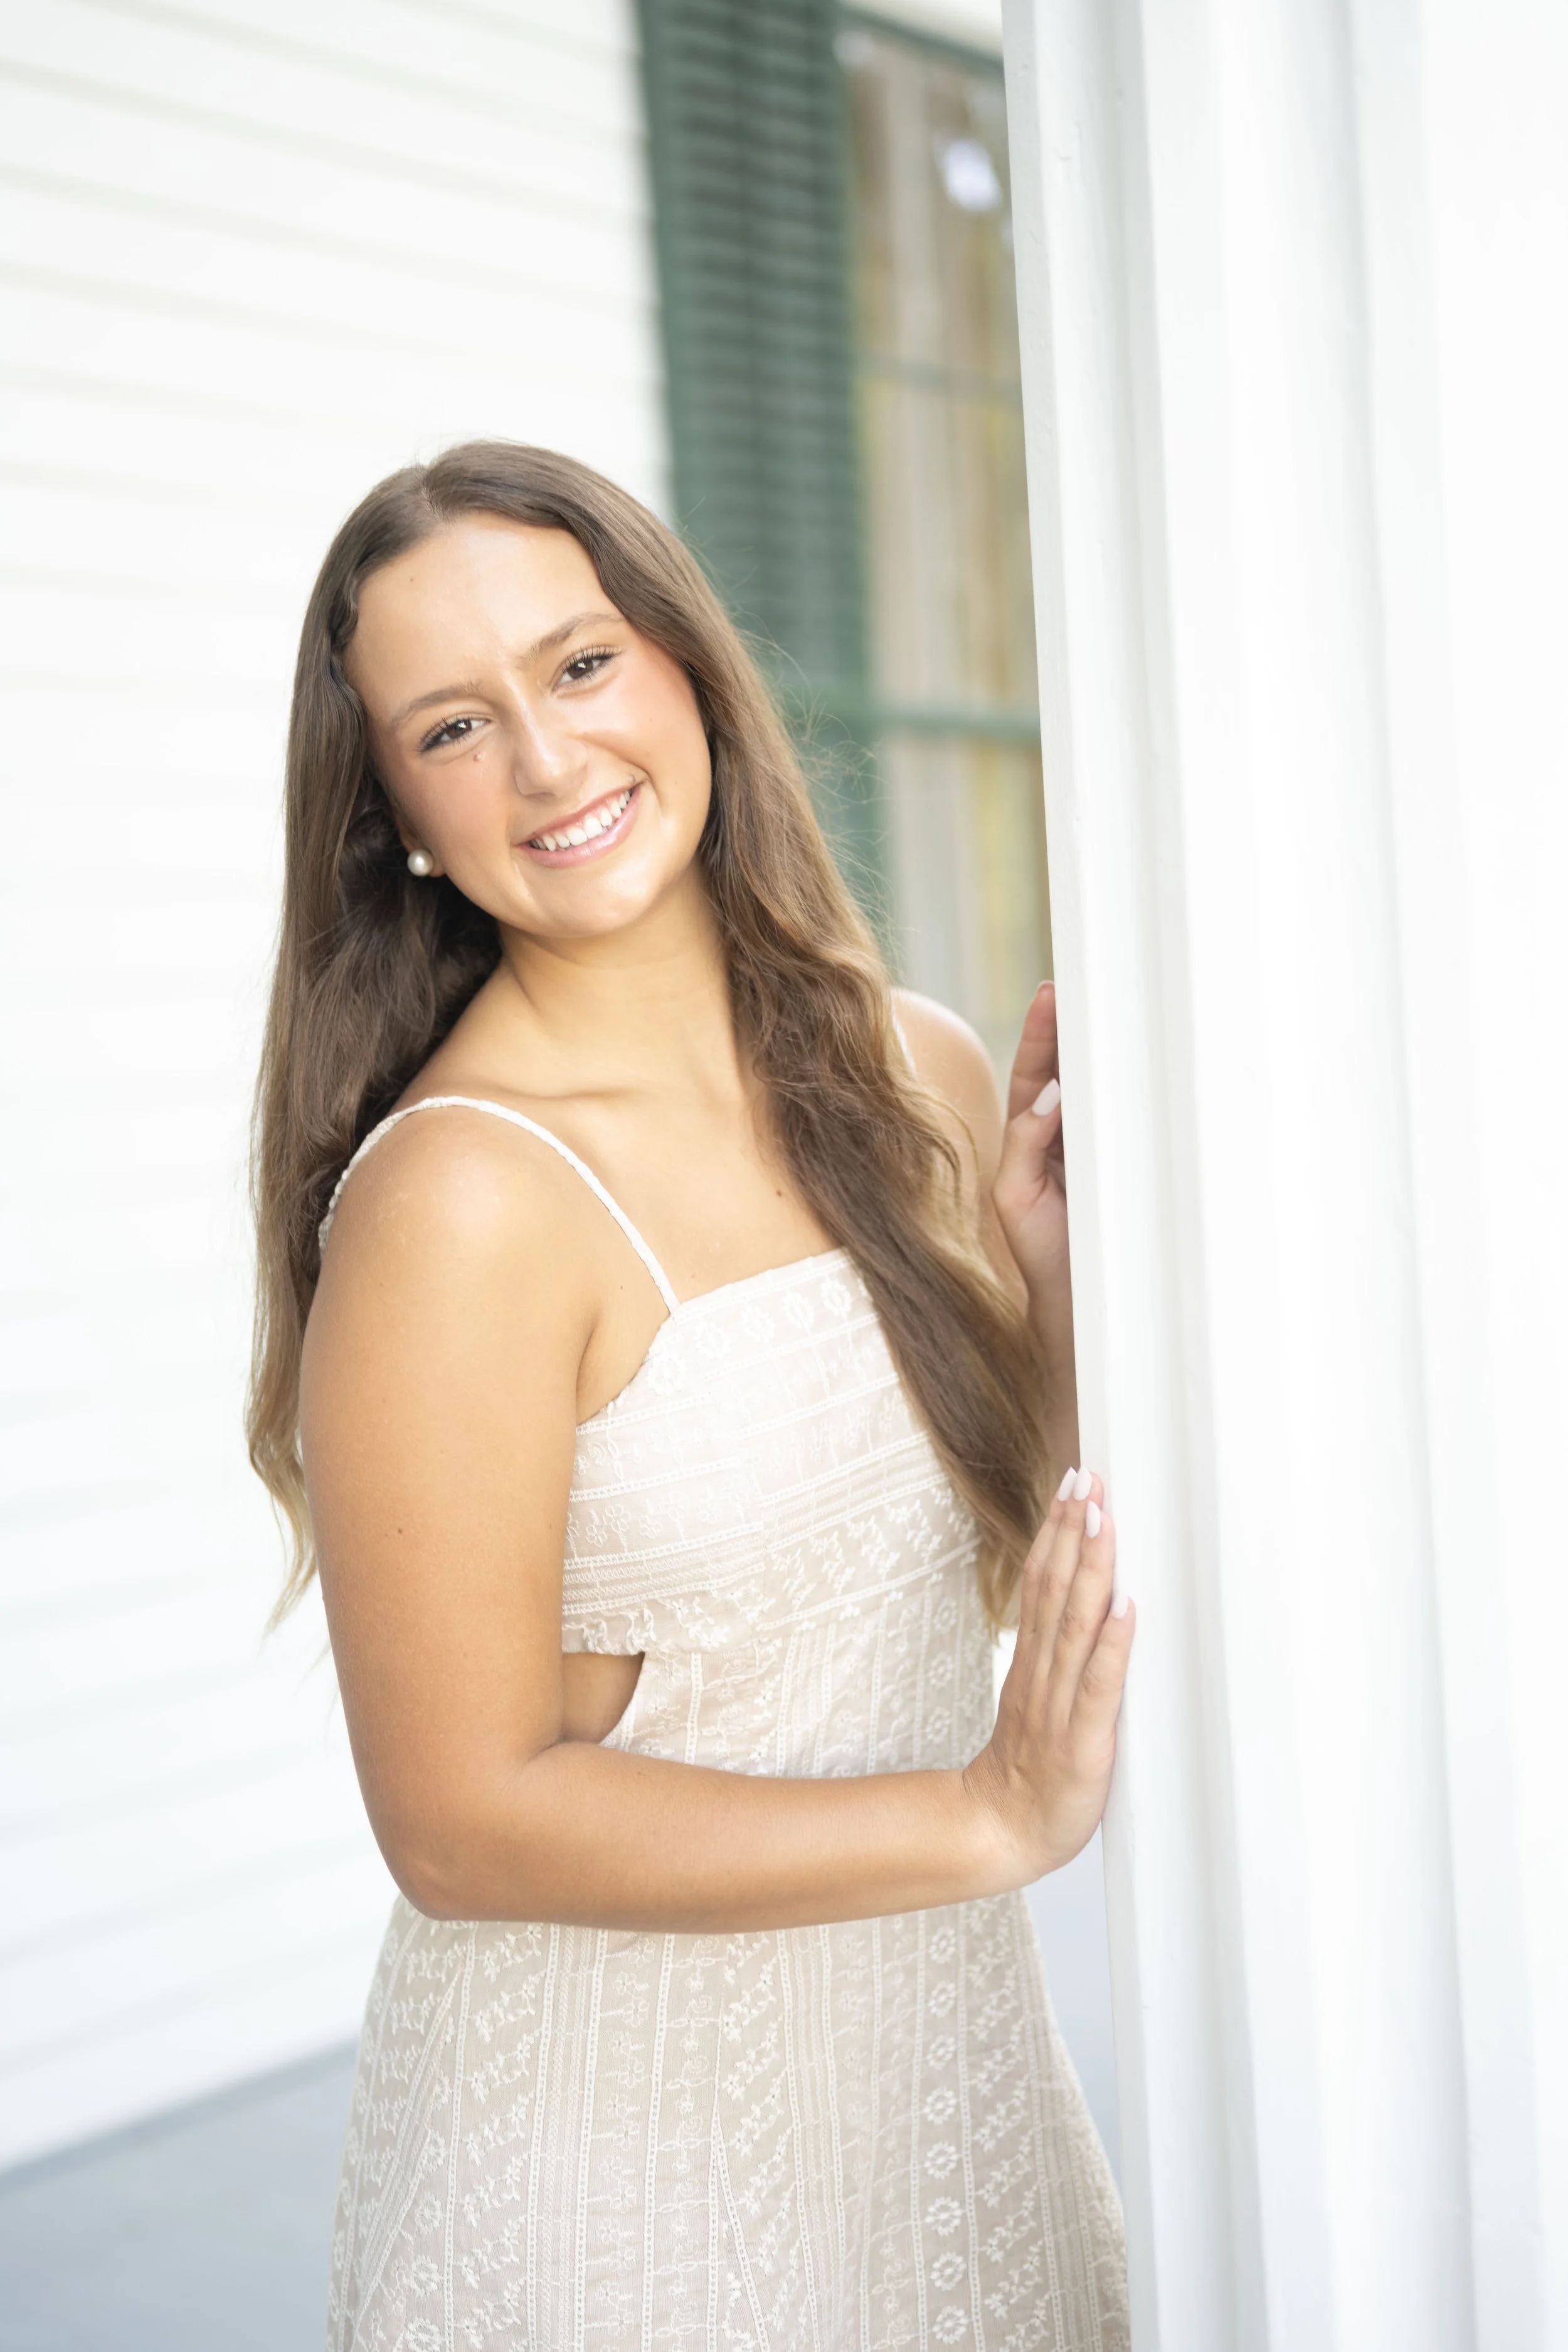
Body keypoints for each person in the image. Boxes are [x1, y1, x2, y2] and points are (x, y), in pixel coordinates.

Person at [248, 442, 1134, 2351]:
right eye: (456, 725)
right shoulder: (460, 1207)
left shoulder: (918, 1072)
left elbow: (911, 1584)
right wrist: (986, 1814)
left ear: (685, 667)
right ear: (396, 813)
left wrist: (1047, 1320)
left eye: (579, 667)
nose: (551, 764)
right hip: (611, 2201)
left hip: (951, 2121)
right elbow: (463, 1819)